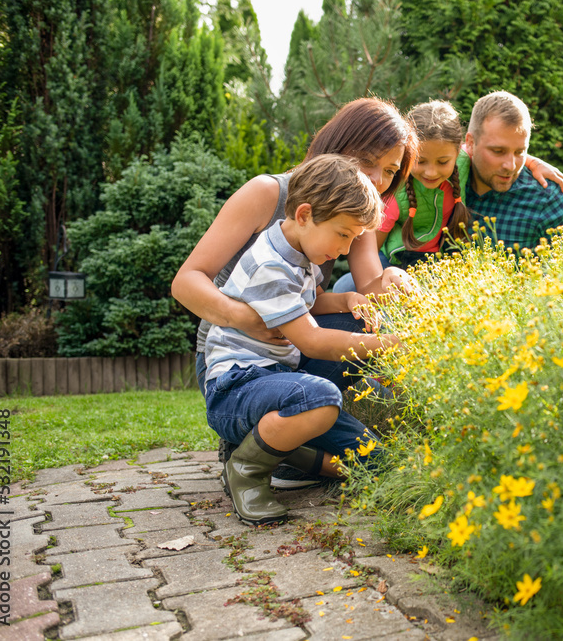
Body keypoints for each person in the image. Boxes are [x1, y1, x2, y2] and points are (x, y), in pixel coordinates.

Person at [172, 97, 416, 489]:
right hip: (234, 358)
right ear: (338, 143)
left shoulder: (354, 213)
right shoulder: (269, 193)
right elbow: (186, 281)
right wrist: (244, 317)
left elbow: (368, 292)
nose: (377, 179)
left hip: (287, 350)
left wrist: (391, 281)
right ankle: (260, 438)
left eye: (389, 171)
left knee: (364, 322)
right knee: (339, 409)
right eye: (367, 161)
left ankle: (279, 448)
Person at [205, 154, 394, 525]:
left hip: (275, 380)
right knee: (321, 397)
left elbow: (308, 303)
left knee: (377, 462)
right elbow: (312, 341)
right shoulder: (271, 265)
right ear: (305, 214)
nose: (343, 250)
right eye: (343, 235)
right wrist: (392, 344)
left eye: (353, 239)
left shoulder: (297, 251)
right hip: (237, 388)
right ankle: (245, 469)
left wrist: (345, 299)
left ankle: (289, 452)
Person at [332, 99, 563, 292]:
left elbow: (496, 151)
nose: (432, 171)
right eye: (420, 161)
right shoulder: (398, 186)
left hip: (438, 264)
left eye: (443, 162)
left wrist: (530, 160)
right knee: (345, 286)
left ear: (457, 154)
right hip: (395, 260)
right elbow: (371, 249)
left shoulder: (463, 165)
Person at [464, 91, 563, 251]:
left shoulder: (546, 198)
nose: (511, 166)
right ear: (471, 143)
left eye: (519, 152)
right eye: (498, 151)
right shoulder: (443, 181)